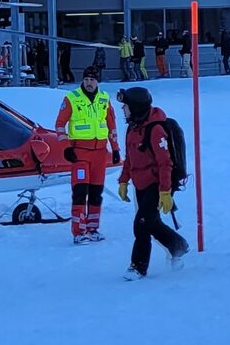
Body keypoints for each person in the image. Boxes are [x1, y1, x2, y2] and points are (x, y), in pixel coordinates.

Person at [115, 86, 189, 279]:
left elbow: (165, 163)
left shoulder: (155, 130)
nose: (123, 109)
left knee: (141, 224)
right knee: (152, 223)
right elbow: (130, 159)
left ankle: (138, 266)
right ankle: (178, 245)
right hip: (140, 184)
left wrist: (165, 191)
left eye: (126, 106)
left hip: (157, 185)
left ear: (136, 107)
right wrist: (123, 181)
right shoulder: (132, 128)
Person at [56, 70, 121, 244]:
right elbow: (60, 124)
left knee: (96, 192)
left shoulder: (104, 98)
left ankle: (93, 228)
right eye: (86, 79)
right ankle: (79, 231)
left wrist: (115, 149)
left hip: (100, 153)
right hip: (80, 153)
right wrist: (66, 147)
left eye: (92, 79)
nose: (89, 82)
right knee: (80, 191)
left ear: (97, 81)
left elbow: (111, 125)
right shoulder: (72, 98)